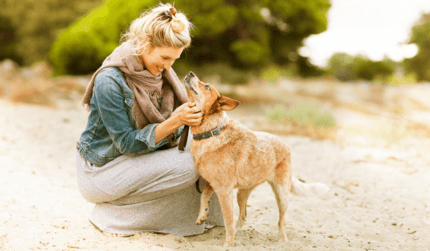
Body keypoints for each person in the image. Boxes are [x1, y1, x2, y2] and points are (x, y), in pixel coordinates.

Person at [75, 3, 224, 237]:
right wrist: (175, 121)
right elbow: (127, 144)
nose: (168, 66)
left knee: (210, 155)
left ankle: (191, 218)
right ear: (144, 43)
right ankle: (114, 213)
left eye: (174, 59)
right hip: (101, 171)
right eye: (165, 57)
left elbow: (175, 135)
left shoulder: (162, 73)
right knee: (190, 165)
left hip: (139, 162)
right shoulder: (110, 80)